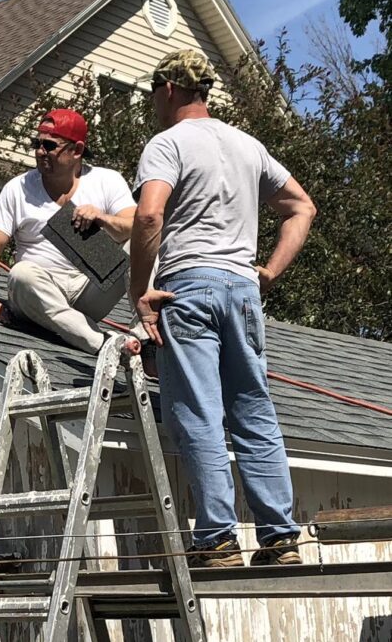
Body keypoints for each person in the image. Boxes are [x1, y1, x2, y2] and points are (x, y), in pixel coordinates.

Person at [129, 49, 317, 568]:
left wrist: (138, 291)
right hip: (241, 287)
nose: (151, 101)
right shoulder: (247, 145)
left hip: (186, 286)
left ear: (169, 87)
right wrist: (270, 271)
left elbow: (148, 217)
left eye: (152, 91)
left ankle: (216, 541)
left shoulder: (167, 144)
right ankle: (280, 538)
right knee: (254, 409)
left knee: (198, 413)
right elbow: (302, 206)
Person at [0, 109, 138, 354]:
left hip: (88, 288)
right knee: (21, 274)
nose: (40, 152)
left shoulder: (107, 180)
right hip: (37, 295)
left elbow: (137, 224)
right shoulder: (18, 188)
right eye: (36, 144)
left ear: (77, 150)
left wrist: (102, 219)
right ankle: (104, 345)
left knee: (142, 242)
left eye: (49, 145)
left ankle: (143, 336)